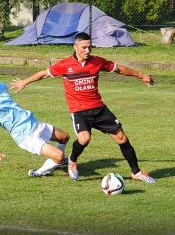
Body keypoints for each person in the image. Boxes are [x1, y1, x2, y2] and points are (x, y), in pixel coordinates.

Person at [10, 32, 156, 183]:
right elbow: (44, 74)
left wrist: (141, 75)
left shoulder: (97, 62)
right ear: (75, 47)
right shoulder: (65, 65)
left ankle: (136, 173)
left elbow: (119, 69)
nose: (87, 51)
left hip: (99, 108)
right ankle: (72, 160)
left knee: (122, 138)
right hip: (79, 111)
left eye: (89, 47)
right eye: (84, 47)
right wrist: (24, 82)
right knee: (84, 139)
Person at [0, 67, 70, 177]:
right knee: (59, 155)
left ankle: (58, 162)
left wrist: (23, 83)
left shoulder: (1, 87)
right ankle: (39, 172)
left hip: (33, 123)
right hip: (24, 135)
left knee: (64, 137)